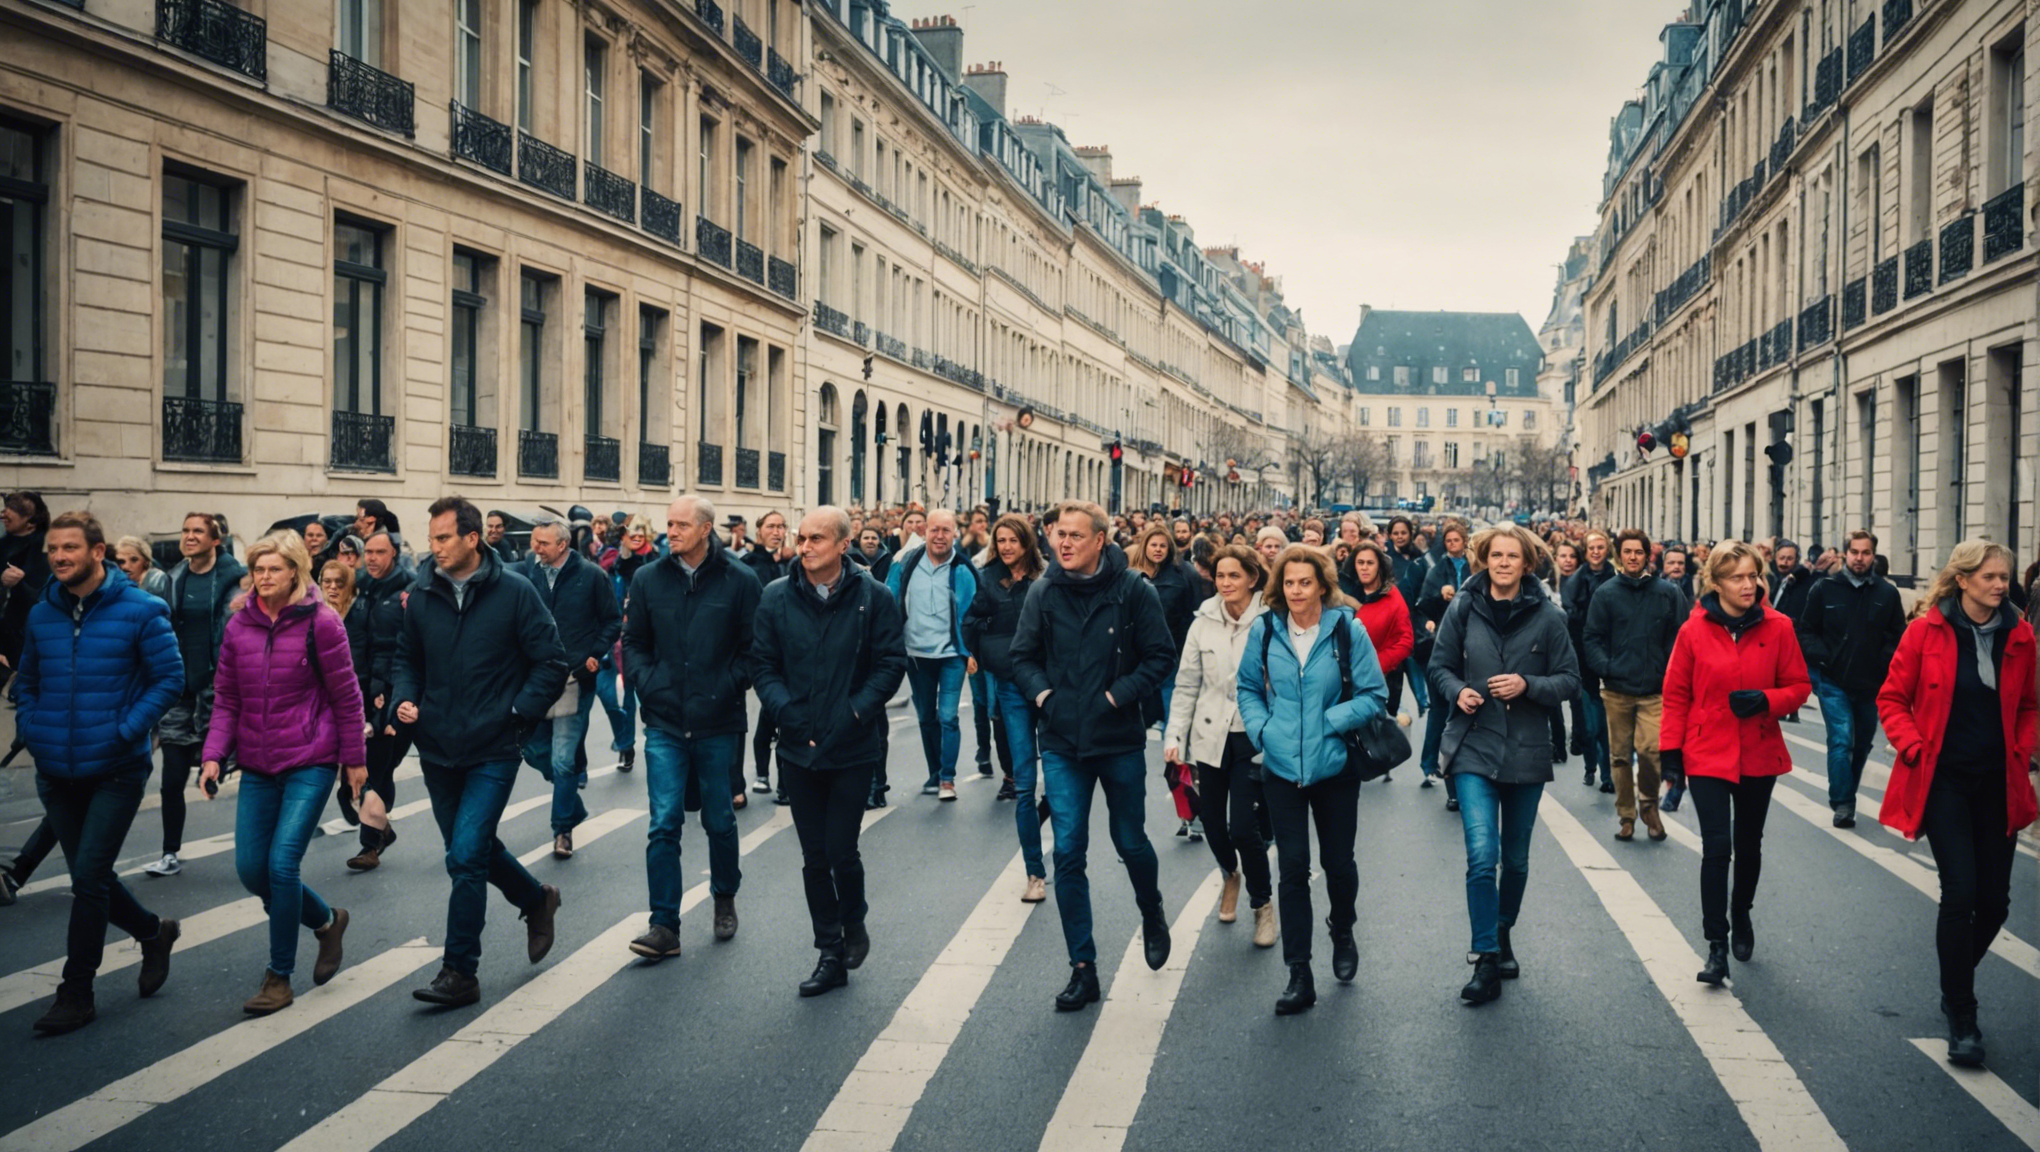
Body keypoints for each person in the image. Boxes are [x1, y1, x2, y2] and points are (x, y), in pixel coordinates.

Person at [391, 497, 568, 1008]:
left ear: (473, 538)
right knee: (473, 850)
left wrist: (517, 714)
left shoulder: (515, 592)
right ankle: (536, 899)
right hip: (438, 745)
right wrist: (406, 699)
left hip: (494, 746)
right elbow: (408, 660)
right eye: (432, 538)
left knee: (466, 856)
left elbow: (551, 662)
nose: (435, 547)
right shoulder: (421, 594)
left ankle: (460, 971)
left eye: (444, 537)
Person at [17, 511, 185, 1033]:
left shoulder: (140, 608)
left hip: (115, 767)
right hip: (56, 769)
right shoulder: (42, 613)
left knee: (88, 878)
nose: (59, 557)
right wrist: (35, 728)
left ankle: (77, 991)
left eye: (70, 548)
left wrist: (125, 730)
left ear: (97, 552)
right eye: (52, 550)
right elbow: (27, 682)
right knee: (92, 876)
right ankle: (153, 932)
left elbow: (169, 678)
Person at [1011, 501, 1177, 1011]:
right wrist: (1046, 698)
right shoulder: (1043, 592)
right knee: (1069, 852)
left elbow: (1160, 657)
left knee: (1130, 841)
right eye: (1059, 535)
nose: (1063, 544)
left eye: (1076, 536)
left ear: (1100, 541)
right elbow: (1021, 657)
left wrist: (1114, 697)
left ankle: (1150, 909)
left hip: (1118, 737)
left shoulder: (1133, 591)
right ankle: (1082, 968)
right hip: (1062, 741)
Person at [1877, 540, 2037, 1069]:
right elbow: (1892, 699)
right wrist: (1915, 746)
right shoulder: (1926, 632)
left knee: (1996, 903)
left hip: (1999, 782)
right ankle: (1962, 1015)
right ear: (1962, 580)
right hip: (1942, 780)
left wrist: (2023, 744)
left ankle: (1954, 977)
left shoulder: (2021, 633)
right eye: (1990, 576)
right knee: (1961, 894)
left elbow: (2033, 703)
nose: (2001, 585)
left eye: (2005, 578)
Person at [199, 532, 365, 1014]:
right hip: (256, 762)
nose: (264, 577)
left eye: (273, 569)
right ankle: (327, 921)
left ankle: (279, 976)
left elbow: (346, 697)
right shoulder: (238, 626)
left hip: (310, 758)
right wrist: (213, 756)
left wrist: (354, 761)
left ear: (295, 571)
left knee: (281, 864)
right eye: (258, 569)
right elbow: (227, 698)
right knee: (252, 871)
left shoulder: (323, 623)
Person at [752, 507, 908, 995]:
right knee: (813, 855)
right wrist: (786, 713)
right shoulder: (776, 597)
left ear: (844, 545)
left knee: (842, 849)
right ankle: (829, 951)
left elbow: (890, 663)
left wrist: (855, 714)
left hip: (852, 745)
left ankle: (854, 920)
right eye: (801, 538)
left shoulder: (874, 597)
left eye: (817, 538)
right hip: (798, 747)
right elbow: (763, 664)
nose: (805, 546)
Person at [1430, 525, 1580, 1005]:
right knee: (1481, 855)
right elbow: (1439, 666)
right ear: (1484, 560)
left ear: (1526, 564)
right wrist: (1459, 691)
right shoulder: (1462, 608)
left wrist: (1528, 686)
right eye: (1495, 555)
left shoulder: (1549, 617)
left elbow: (1570, 680)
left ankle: (1503, 929)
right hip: (1473, 744)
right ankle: (1486, 958)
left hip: (1526, 749)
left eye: (1512, 556)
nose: (1503, 563)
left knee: (1514, 860)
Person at [1237, 546, 1387, 1014]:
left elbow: (1374, 694)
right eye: (1288, 583)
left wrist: (1329, 722)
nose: (1296, 591)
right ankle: (1298, 972)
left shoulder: (1347, 629)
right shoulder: (1264, 629)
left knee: (1339, 864)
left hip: (1335, 765)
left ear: (1322, 585)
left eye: (1305, 583)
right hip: (1281, 766)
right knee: (1293, 869)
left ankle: (1342, 928)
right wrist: (1265, 729)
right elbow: (1246, 687)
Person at [1658, 542, 1810, 988]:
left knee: (1749, 843)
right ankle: (1716, 945)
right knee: (1716, 847)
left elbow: (1800, 685)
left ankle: (1740, 911)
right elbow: (1677, 694)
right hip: (1706, 750)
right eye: (1738, 577)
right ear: (1716, 583)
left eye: (1753, 576)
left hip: (1758, 750)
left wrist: (1767, 699)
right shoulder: (1694, 630)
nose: (1749, 585)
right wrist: (1671, 755)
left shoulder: (1779, 627)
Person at [620, 496, 761, 960]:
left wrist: (726, 686)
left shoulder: (740, 580)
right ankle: (664, 924)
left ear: (705, 529)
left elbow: (754, 650)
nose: (672, 531)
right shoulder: (648, 579)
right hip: (663, 719)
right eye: (669, 523)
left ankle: (724, 896)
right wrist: (649, 684)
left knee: (719, 818)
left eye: (682, 524)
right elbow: (634, 643)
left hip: (718, 721)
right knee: (663, 822)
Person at [1164, 544, 1276, 945]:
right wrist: (1174, 734)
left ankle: (1262, 904)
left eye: (1234, 575)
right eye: (1220, 575)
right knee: (1211, 823)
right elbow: (1187, 684)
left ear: (1252, 578)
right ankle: (1230, 874)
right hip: (1209, 736)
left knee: (1245, 828)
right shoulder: (1202, 622)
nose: (1226, 583)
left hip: (1253, 734)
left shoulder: (1270, 620)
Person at [149, 511, 247, 877]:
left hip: (220, 690)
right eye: (185, 530)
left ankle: (261, 849)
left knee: (241, 769)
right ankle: (170, 852)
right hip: (181, 689)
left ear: (215, 540)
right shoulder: (174, 579)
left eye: (197, 532)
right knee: (170, 779)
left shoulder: (235, 577)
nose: (189, 537)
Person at [518, 518, 622, 860]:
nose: (536, 548)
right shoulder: (525, 573)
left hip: (573, 679)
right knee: (530, 749)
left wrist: (594, 654)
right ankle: (572, 805)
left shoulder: (592, 575)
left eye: (543, 543)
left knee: (563, 760)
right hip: (532, 679)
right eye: (534, 541)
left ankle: (562, 829)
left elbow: (611, 620)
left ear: (562, 545)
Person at [1796, 530, 1907, 827]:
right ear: (1846, 554)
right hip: (1832, 679)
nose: (1860, 558)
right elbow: (1806, 630)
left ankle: (1848, 793)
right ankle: (1843, 803)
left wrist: (1883, 662)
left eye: (1866, 552)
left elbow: (1898, 635)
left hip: (1871, 682)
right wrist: (1822, 656)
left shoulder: (1887, 593)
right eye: (1855, 552)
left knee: (1861, 744)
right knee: (1842, 739)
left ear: (1874, 555)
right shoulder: (1825, 588)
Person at [1583, 529, 1687, 843]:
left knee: (1651, 750)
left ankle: (1649, 806)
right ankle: (1626, 816)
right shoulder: (1606, 593)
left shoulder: (1667, 593)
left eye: (1638, 552)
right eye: (1627, 552)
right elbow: (1592, 638)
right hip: (1617, 689)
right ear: (1619, 555)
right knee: (1619, 756)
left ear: (1647, 556)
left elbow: (1682, 637)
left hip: (1655, 690)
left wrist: (1669, 671)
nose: (1632, 557)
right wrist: (1607, 667)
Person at [964, 515, 1049, 882]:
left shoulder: (1047, 579)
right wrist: (973, 651)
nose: (1007, 547)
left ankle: (1053, 825)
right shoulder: (986, 577)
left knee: (1062, 779)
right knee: (1024, 779)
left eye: (1013, 540)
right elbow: (969, 618)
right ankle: (1033, 870)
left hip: (1048, 686)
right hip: (1009, 683)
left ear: (1027, 542)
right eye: (1001, 540)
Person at [886, 509, 976, 801]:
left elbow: (976, 613)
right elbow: (887, 602)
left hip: (952, 655)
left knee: (948, 716)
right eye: (934, 530)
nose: (939, 536)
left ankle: (948, 779)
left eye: (946, 531)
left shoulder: (963, 569)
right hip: (915, 655)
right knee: (926, 716)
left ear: (955, 534)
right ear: (924, 532)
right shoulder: (905, 564)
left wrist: (972, 651)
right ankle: (935, 772)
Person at [343, 532, 409, 870]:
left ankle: (370, 845)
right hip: (360, 690)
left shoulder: (409, 589)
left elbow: (410, 650)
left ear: (394, 554)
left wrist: (397, 694)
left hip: (394, 695)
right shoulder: (361, 587)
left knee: (379, 766)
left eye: (379, 552)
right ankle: (380, 827)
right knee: (350, 779)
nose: (371, 557)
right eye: (367, 551)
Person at [1417, 519, 1473, 804]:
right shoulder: (1438, 569)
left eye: (1457, 541)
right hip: (1443, 640)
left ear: (1465, 541)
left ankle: (1462, 770)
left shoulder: (1475, 566)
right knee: (1439, 710)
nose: (1453, 545)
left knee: (1464, 710)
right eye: (1448, 541)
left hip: (1472, 641)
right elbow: (1423, 601)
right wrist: (1440, 596)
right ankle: (1430, 765)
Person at [599, 514, 656, 774]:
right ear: (622, 536)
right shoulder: (611, 564)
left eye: (640, 531)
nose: (636, 535)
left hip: (646, 640)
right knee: (616, 700)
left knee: (643, 697)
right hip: (614, 639)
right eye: (630, 531)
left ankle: (648, 747)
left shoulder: (656, 562)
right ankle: (625, 744)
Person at [1564, 530, 1616, 789]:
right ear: (1585, 551)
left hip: (1611, 654)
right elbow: (1570, 619)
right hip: (1583, 657)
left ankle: (1607, 775)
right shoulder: (1575, 581)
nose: (1596, 552)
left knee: (1607, 723)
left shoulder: (1616, 577)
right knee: (1590, 721)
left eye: (1600, 547)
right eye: (1591, 547)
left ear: (1607, 550)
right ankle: (1590, 765)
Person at [1349, 539, 1415, 729]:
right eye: (1360, 563)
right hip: (1348, 679)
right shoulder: (1348, 594)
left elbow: (1406, 641)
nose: (1364, 568)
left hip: (1381, 679)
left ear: (1379, 566)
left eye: (1370, 563)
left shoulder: (1392, 596)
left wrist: (1376, 664)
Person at [0, 490, 52, 674]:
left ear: (31, 522)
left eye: (12, 509)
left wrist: (20, 584)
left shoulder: (46, 554)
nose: (3, 514)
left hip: (28, 645)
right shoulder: (3, 547)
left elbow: (46, 600)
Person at [1387, 517, 1432, 717]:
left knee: (1413, 659)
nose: (1399, 537)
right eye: (1395, 533)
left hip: (1414, 617)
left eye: (1403, 533)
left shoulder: (1421, 559)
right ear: (1390, 535)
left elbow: (1428, 587)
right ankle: (1393, 709)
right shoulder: (1385, 559)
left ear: (1410, 534)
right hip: (1391, 619)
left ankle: (1423, 702)